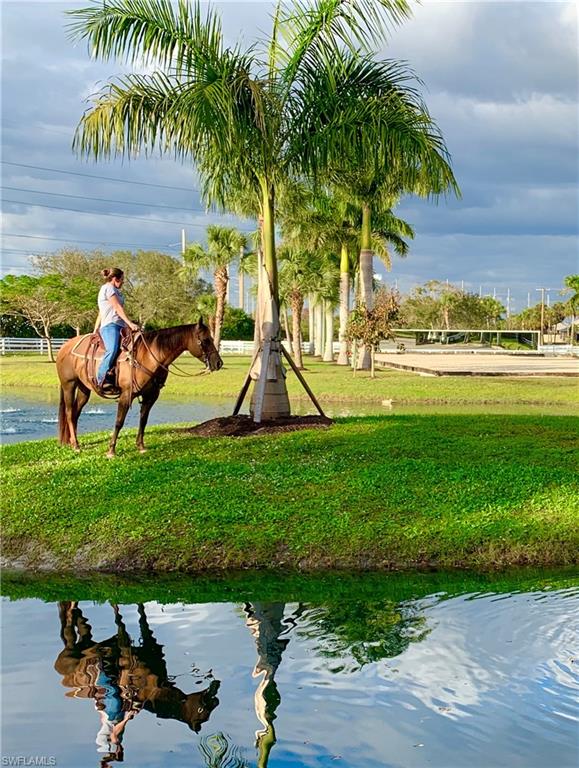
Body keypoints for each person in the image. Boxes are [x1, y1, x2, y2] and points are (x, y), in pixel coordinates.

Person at [94, 268, 139, 389]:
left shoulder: (117, 291)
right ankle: (100, 378)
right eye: (122, 279)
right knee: (112, 349)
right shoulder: (108, 288)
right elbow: (117, 307)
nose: (123, 282)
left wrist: (128, 324)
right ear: (115, 279)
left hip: (121, 326)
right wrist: (130, 323)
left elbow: (102, 311)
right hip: (110, 325)